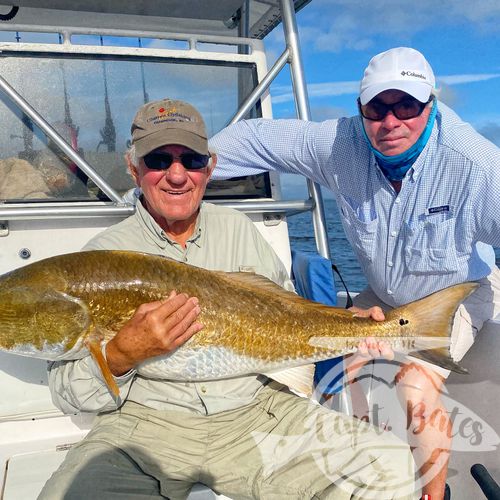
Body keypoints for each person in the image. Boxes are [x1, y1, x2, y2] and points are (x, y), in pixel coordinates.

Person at [39, 98, 415, 500]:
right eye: (159, 159)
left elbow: (290, 315)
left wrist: (350, 324)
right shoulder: (101, 259)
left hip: (259, 412)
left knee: (389, 463)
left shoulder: (240, 230)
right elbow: (66, 392)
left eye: (193, 160)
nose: (177, 175)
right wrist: (119, 355)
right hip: (145, 427)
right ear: (134, 169)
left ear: (210, 168)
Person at [209, 47, 500, 500]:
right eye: (376, 108)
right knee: (333, 379)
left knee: (415, 388)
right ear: (360, 109)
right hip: (383, 296)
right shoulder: (340, 144)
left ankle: (432, 496)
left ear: (432, 104)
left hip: (455, 294)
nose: (390, 122)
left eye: (407, 105)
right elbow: (255, 139)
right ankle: (368, 471)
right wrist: (175, 178)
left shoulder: (476, 167)